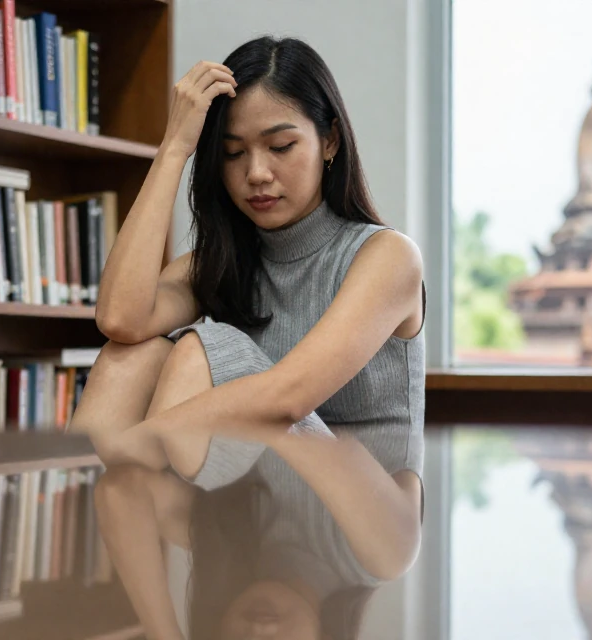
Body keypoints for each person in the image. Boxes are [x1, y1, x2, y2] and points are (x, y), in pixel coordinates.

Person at [69, 35, 427, 640]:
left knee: (193, 350)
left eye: (281, 146)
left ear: (330, 140)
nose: (256, 174)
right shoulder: (220, 262)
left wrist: (140, 442)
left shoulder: (387, 256)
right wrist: (175, 148)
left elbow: (289, 396)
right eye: (233, 153)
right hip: (243, 511)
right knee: (128, 357)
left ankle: (94, 510)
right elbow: (120, 319)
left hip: (364, 514)